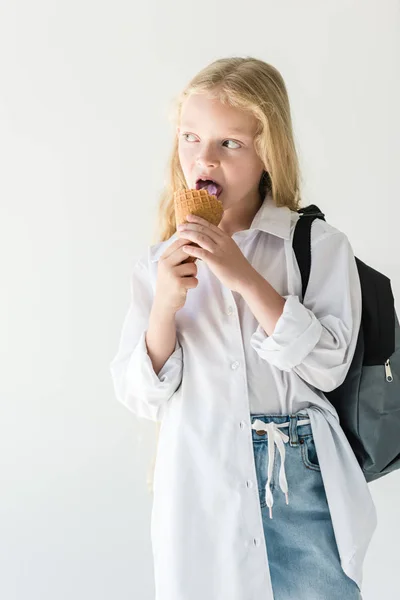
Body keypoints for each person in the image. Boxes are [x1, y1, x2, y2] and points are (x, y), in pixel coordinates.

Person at [109, 57, 377, 600]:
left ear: (267, 153)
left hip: (300, 476)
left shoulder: (316, 246)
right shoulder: (158, 264)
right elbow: (141, 393)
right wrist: (164, 306)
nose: (203, 158)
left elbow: (328, 366)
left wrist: (244, 278)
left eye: (229, 144)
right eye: (190, 138)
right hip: (202, 475)